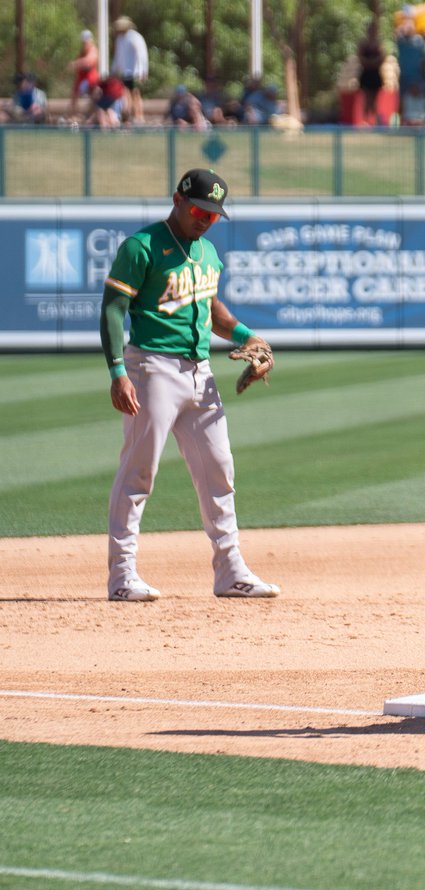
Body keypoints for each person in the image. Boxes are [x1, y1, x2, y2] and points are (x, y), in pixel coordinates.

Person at [101, 168, 280, 602]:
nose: (205, 219)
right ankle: (122, 576)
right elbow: (111, 310)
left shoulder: (208, 254)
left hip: (201, 373)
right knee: (138, 472)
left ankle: (230, 572)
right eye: (200, 209)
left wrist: (247, 337)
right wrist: (118, 372)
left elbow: (210, 306)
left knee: (219, 470)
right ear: (179, 200)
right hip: (152, 368)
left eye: (214, 215)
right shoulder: (141, 247)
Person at [111, 16, 149, 124]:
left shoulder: (135, 37)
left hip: (134, 72)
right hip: (124, 72)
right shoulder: (119, 39)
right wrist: (114, 70)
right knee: (125, 94)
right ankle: (128, 117)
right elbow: (118, 56)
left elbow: (141, 55)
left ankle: (139, 116)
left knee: (136, 94)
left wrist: (142, 71)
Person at [357, 24, 386, 125]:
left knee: (374, 100)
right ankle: (365, 121)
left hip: (375, 74)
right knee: (366, 98)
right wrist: (368, 63)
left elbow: (382, 57)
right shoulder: (363, 44)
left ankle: (374, 121)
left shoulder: (379, 44)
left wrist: (374, 63)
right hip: (366, 74)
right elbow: (360, 57)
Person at [69, 30, 100, 118]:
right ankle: (73, 115)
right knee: (74, 94)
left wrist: (76, 63)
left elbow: (89, 61)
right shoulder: (82, 51)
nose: (85, 43)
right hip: (82, 78)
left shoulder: (93, 50)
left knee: (93, 95)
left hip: (90, 79)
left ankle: (93, 115)